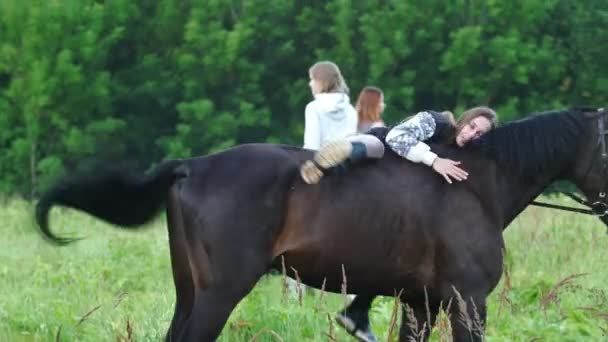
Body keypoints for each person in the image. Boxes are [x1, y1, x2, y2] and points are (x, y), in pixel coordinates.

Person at [300, 107, 498, 185]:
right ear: (465, 120)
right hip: (383, 143)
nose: (472, 134)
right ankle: (327, 162)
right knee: (376, 146)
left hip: (396, 174)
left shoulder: (465, 154)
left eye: (479, 134)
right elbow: (396, 137)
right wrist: (434, 160)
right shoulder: (437, 123)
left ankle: (324, 166)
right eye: (471, 126)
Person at [303, 61, 358, 150]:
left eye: (312, 79)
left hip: (322, 161)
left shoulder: (314, 108)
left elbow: (311, 146)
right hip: (347, 162)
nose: (310, 84)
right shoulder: (350, 109)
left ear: (321, 81)